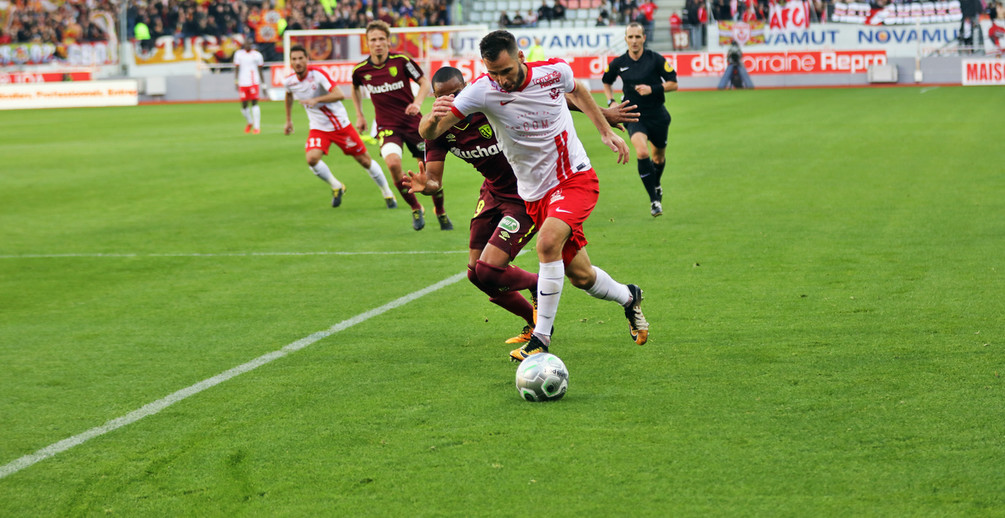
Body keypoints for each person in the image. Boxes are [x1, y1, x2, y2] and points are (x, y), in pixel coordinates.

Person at [419, 30, 650, 362]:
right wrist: (430, 119)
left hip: (574, 179)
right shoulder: (480, 91)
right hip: (534, 195)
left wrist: (604, 131)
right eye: (493, 73)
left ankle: (540, 338)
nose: (501, 80)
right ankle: (629, 297)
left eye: (506, 71)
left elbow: (579, 91)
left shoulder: (553, 71)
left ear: (521, 57)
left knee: (546, 243)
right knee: (580, 276)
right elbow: (432, 134)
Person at [351, 20, 453, 231]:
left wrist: (417, 103)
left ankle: (440, 211)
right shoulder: (361, 70)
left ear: (388, 41)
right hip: (387, 126)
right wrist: (359, 115)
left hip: (414, 125)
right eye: (373, 40)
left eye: (381, 39)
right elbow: (355, 88)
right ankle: (416, 208)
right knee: (393, 164)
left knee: (430, 173)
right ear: (367, 43)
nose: (377, 43)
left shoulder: (402, 61)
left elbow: (425, 82)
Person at [283, 44, 397, 209]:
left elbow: (339, 94)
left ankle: (387, 193)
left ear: (307, 59)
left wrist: (317, 100)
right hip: (318, 128)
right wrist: (288, 120)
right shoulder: (289, 81)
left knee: (364, 161)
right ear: (290, 62)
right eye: (294, 59)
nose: (298, 62)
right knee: (312, 159)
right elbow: (288, 95)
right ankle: (336, 186)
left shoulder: (318, 75)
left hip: (340, 126)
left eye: (301, 58)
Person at [602, 22, 678, 218]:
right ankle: (654, 200)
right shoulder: (618, 63)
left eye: (638, 37)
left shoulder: (656, 59)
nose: (634, 41)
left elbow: (673, 83)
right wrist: (610, 101)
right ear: (626, 39)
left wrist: (652, 89)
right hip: (633, 115)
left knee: (658, 157)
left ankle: (656, 184)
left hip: (657, 115)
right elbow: (606, 81)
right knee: (642, 151)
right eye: (630, 37)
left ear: (644, 38)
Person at [233, 39, 265, 134]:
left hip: (253, 82)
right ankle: (250, 122)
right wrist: (236, 81)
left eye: (250, 43)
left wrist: (263, 85)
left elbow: (260, 70)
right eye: (247, 43)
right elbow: (237, 69)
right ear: (244, 44)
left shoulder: (257, 55)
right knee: (244, 106)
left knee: (254, 103)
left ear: (252, 45)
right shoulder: (239, 54)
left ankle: (257, 127)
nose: (248, 45)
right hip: (243, 82)